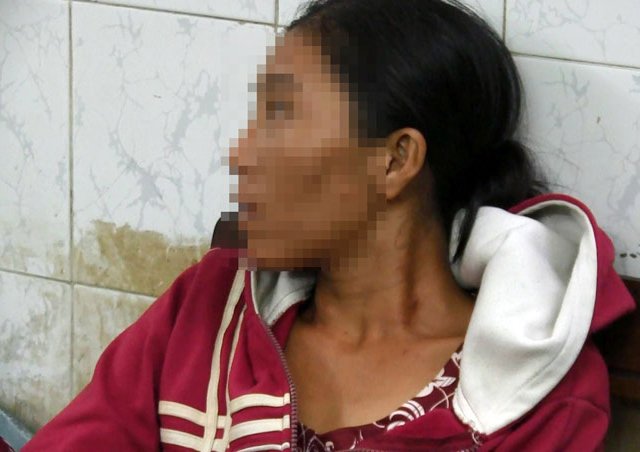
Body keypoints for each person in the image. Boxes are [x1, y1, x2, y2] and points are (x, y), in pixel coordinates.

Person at [23, 0, 636, 450]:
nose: (241, 155)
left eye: (281, 115)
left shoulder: (531, 394)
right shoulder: (211, 308)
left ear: (394, 161)